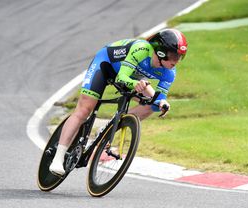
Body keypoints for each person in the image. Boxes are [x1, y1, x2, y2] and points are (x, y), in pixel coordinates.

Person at [49, 28, 188, 176]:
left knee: (152, 106)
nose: (177, 61)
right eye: (174, 55)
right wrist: (137, 84)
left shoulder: (170, 73)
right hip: (106, 64)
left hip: (132, 76)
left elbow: (159, 97)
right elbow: (121, 78)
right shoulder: (140, 49)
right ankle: (57, 158)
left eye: (180, 56)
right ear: (161, 51)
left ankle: (108, 128)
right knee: (84, 110)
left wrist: (161, 103)